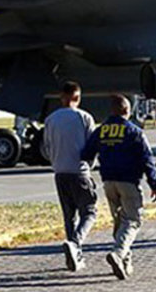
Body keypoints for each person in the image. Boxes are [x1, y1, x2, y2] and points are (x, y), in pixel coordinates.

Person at [82, 94, 156, 280]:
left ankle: (125, 262)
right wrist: (154, 183)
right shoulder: (134, 131)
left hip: (109, 182)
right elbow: (147, 159)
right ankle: (118, 253)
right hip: (128, 181)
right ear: (127, 110)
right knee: (132, 221)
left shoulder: (102, 130)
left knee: (119, 221)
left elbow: (86, 153)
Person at [43, 81, 97, 272]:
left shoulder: (50, 120)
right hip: (79, 171)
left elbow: (46, 147)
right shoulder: (84, 117)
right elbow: (92, 146)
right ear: (78, 97)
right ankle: (75, 243)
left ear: (61, 97)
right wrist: (90, 165)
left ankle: (74, 254)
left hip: (60, 172)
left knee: (69, 216)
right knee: (89, 212)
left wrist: (56, 161)